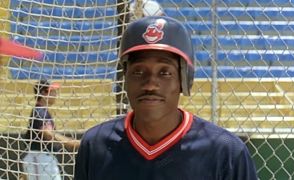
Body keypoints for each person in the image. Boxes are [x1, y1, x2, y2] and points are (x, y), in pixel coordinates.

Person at [75, 16, 258, 180]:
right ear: (126, 77)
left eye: (165, 73)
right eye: (138, 72)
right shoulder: (96, 145)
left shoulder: (225, 152)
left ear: (183, 80)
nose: (150, 84)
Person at [21, 79, 80, 180]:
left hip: (45, 159)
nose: (55, 94)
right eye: (52, 91)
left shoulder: (42, 111)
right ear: (44, 93)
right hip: (39, 158)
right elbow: (46, 133)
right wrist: (71, 143)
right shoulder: (40, 111)